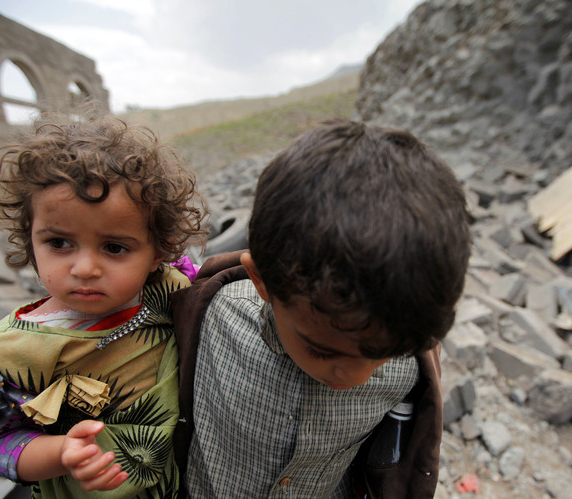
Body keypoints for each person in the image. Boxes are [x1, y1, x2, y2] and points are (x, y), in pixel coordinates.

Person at [171, 119, 471, 498]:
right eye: (323, 349)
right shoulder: (211, 319)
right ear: (261, 281)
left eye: (382, 356)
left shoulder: (408, 368)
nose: (358, 377)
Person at [0, 114, 206, 498]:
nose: (85, 269)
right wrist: (61, 453)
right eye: (58, 243)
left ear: (158, 251)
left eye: (114, 247)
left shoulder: (168, 287)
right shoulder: (5, 355)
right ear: (30, 239)